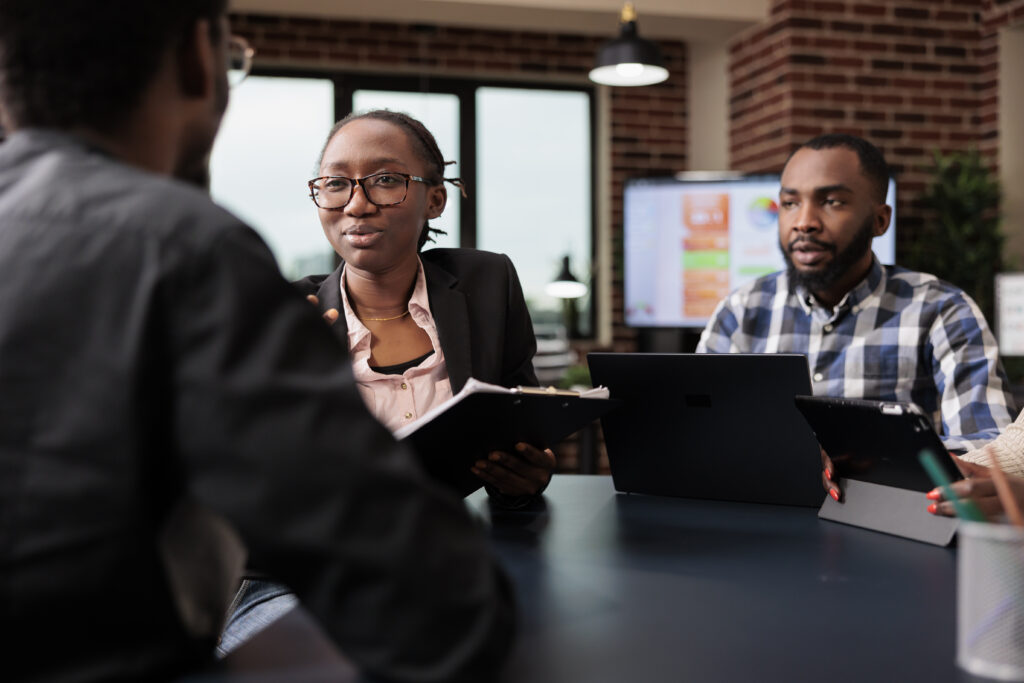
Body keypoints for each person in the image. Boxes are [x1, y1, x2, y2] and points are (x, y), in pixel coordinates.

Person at [0, 3, 514, 682]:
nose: (357, 202)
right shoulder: (188, 250)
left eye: (386, 180)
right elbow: (439, 604)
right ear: (199, 58)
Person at [219, 109, 555, 654]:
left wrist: (523, 479)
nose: (356, 203)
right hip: (301, 578)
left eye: (385, 180)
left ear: (434, 199)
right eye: (335, 183)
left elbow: (515, 422)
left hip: (443, 561)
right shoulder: (287, 318)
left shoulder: (487, 284)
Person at [696, 134, 1017, 500]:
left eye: (831, 201)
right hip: (759, 513)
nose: (804, 222)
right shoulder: (741, 310)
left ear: (880, 220)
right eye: (789, 203)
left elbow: (988, 450)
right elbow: (699, 430)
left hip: (892, 518)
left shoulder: (942, 309)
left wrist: (864, 459)